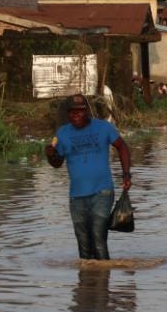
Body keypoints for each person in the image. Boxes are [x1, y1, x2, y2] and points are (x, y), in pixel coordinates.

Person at [44, 94, 132, 260]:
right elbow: (57, 163)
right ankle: (87, 282)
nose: (76, 115)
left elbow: (122, 147)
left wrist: (126, 174)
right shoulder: (62, 134)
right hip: (76, 197)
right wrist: (50, 155)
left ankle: (103, 279)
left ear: (88, 111)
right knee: (83, 243)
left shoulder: (104, 128)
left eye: (80, 111)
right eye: (72, 112)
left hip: (102, 192)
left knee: (98, 237)